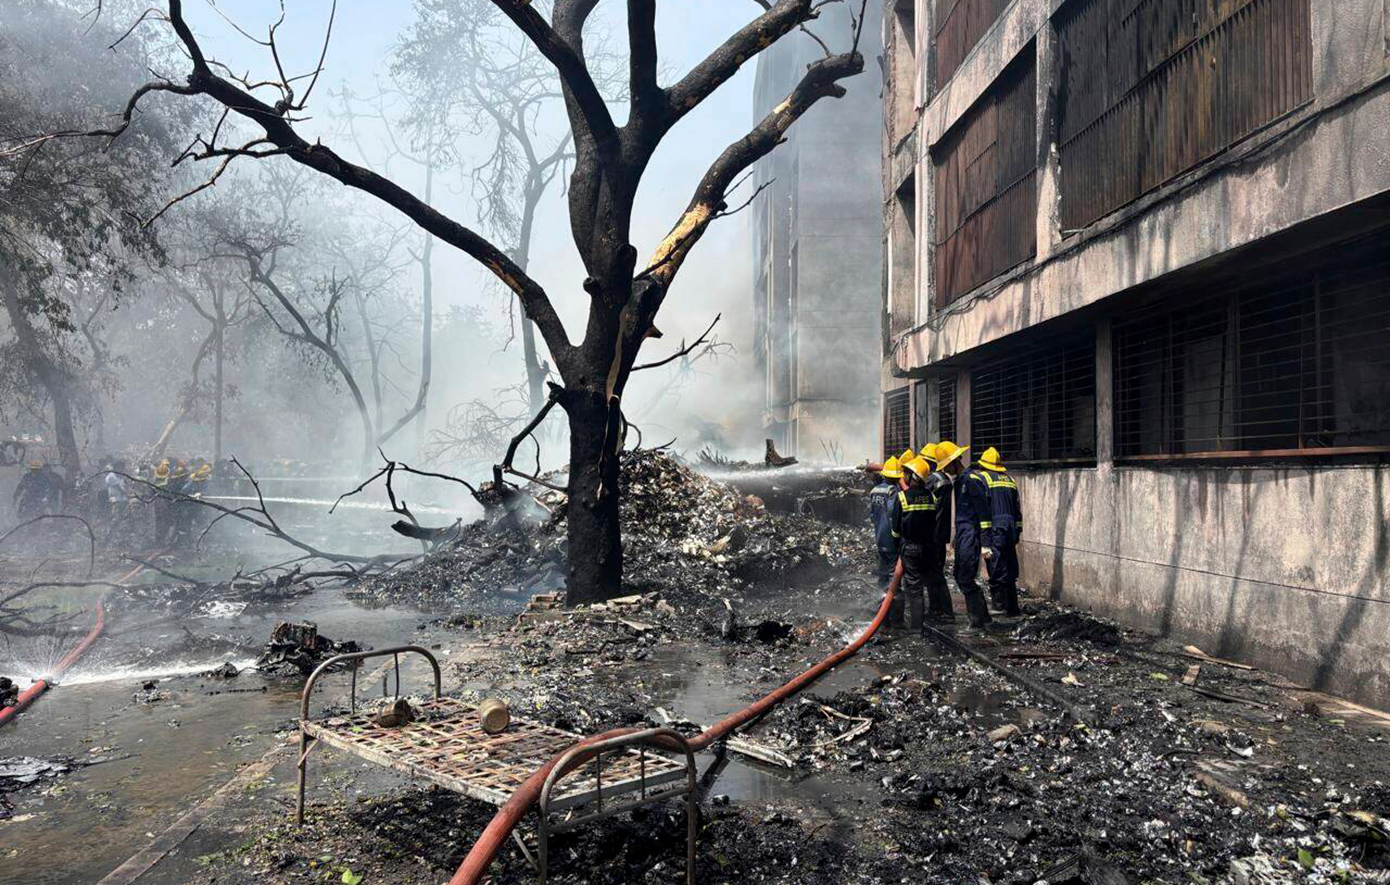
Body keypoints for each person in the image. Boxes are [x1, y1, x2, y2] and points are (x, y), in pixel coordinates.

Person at [937, 440, 992, 630]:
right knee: (960, 575)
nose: (945, 470)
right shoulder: (959, 481)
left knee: (965, 577)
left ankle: (977, 622)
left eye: (946, 466)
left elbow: (984, 513)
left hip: (972, 535)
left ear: (954, 461)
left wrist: (985, 542)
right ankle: (983, 617)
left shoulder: (971, 480)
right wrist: (956, 537)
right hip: (963, 534)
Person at [889, 455, 939, 632]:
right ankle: (932, 617)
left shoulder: (902, 497)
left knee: (914, 587)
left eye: (908, 474)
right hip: (928, 547)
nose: (905, 477)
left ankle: (916, 628)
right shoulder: (932, 497)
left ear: (914, 476)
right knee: (927, 582)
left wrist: (898, 548)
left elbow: (895, 529)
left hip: (910, 547)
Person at [976, 447, 1023, 617]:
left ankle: (999, 605)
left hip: (995, 527)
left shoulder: (984, 479)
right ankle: (1012, 607)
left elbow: (983, 510)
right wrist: (1018, 530)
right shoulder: (1010, 480)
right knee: (1010, 567)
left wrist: (984, 540)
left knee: (995, 566)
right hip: (1010, 528)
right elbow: (1017, 509)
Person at [868, 457, 903, 594]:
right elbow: (893, 514)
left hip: (879, 536)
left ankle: (879, 599)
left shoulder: (874, 490)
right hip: (891, 538)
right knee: (893, 573)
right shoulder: (893, 492)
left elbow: (872, 516)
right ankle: (892, 603)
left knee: (882, 570)